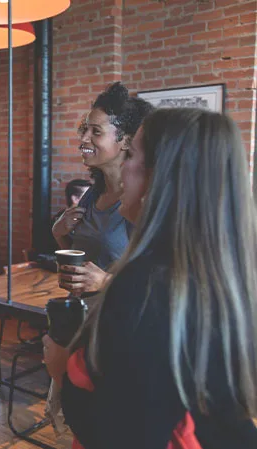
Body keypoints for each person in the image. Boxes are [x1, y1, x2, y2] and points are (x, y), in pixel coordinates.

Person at [45, 108, 257, 448]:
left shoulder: (145, 288)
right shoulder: (222, 277)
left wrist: (60, 369)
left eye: (131, 154)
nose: (124, 167)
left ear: (161, 177)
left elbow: (119, 433)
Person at [52, 82, 154, 295]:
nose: (83, 139)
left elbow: (156, 282)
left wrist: (106, 281)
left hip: (120, 319)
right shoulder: (92, 194)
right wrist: (59, 233)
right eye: (85, 130)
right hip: (85, 314)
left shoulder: (143, 202)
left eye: (96, 132)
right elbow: (82, 260)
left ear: (125, 141)